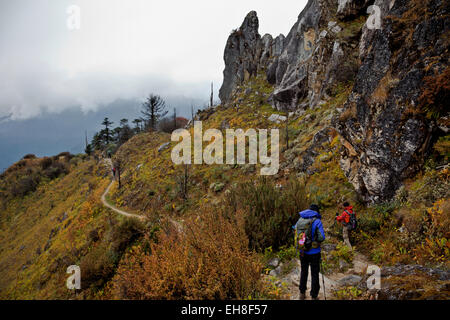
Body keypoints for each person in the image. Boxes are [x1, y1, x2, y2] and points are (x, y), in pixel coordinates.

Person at [295, 204, 325, 300]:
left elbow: (295, 231)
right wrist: (315, 239)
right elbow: (322, 237)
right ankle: (314, 296)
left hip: (302, 251)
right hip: (314, 252)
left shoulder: (300, 220)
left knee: (304, 272)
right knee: (314, 273)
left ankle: (302, 293)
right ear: (316, 212)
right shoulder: (317, 221)